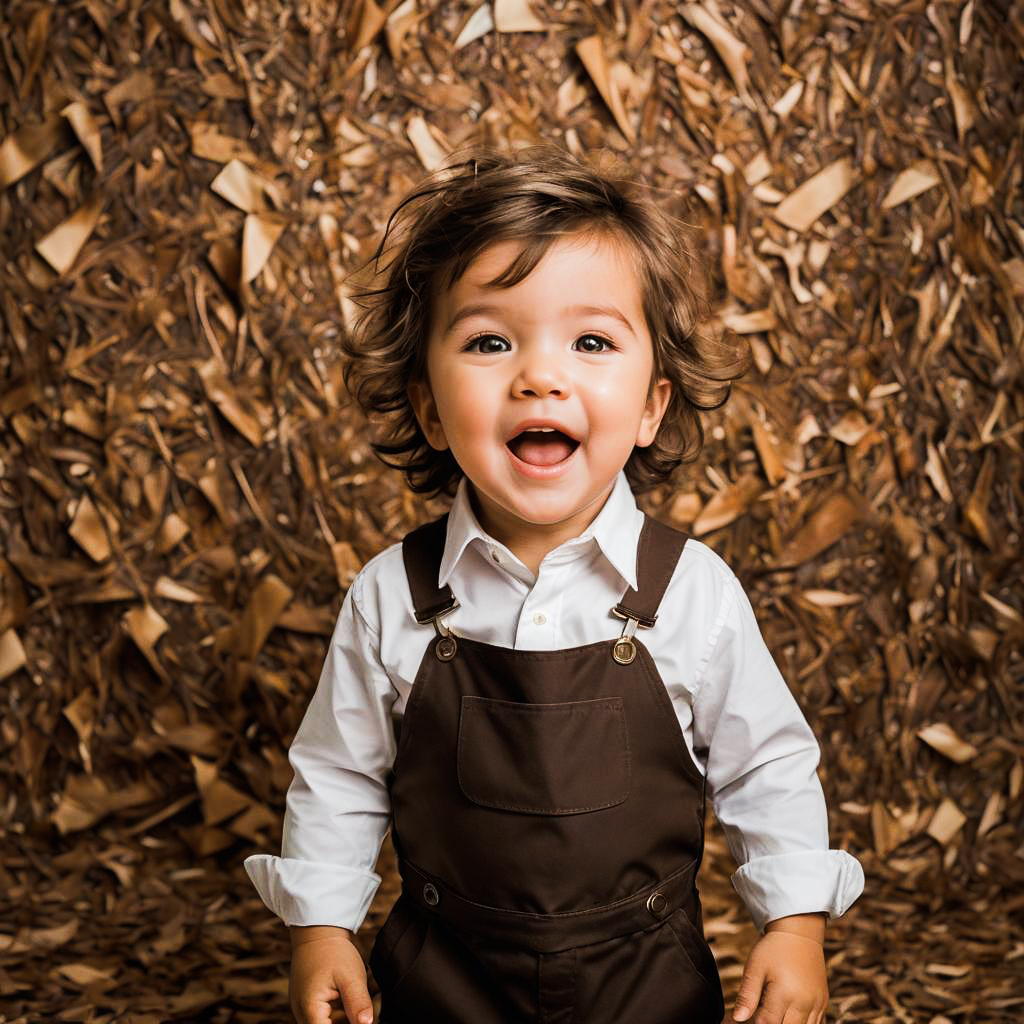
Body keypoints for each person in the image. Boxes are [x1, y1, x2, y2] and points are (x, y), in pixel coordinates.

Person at [244, 147, 864, 1024]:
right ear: (427, 406)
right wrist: (321, 931)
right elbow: (338, 776)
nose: (540, 374)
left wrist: (794, 927)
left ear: (652, 405)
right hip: (444, 980)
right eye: (491, 341)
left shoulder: (693, 594)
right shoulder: (391, 597)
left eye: (592, 341)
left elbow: (768, 767)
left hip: (646, 982)